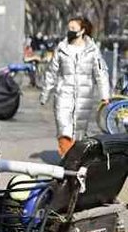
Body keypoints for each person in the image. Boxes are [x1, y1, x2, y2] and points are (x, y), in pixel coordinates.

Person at [40, 17, 110, 157]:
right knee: (64, 129)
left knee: (79, 132)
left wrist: (105, 95)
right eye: (68, 28)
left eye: (73, 28)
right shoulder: (61, 48)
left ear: (82, 30)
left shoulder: (93, 50)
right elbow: (51, 73)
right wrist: (45, 94)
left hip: (84, 98)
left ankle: (75, 162)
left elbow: (101, 73)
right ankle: (66, 161)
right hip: (63, 95)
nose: (69, 31)